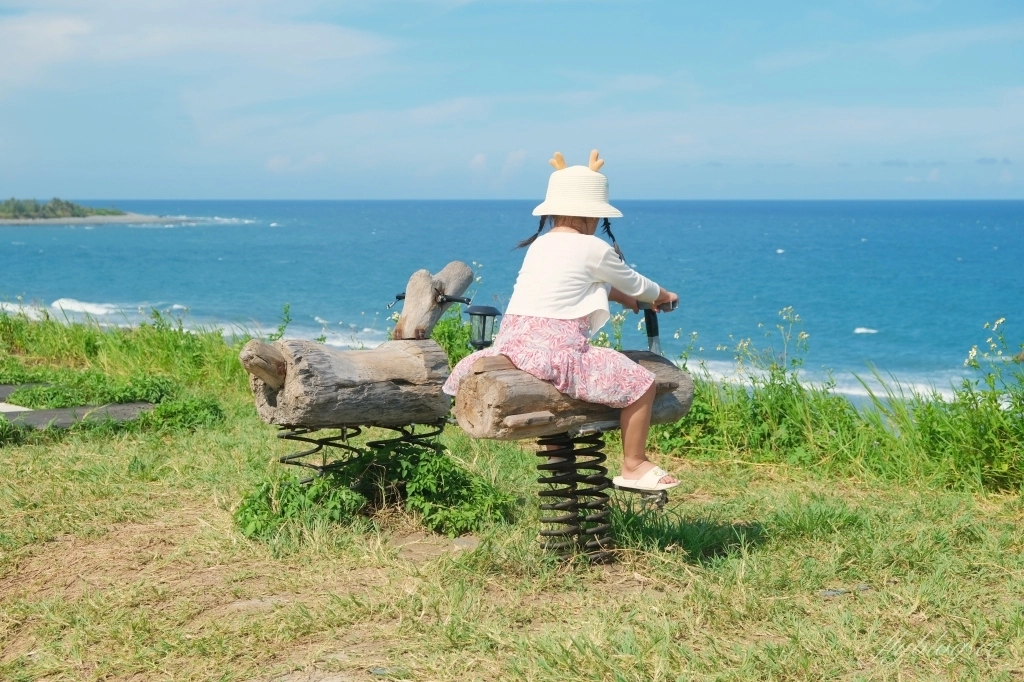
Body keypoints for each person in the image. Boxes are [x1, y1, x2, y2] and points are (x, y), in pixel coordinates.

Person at [443, 150, 680, 491]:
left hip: (514, 346)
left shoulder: (541, 245)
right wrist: (663, 296)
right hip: (557, 352)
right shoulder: (594, 248)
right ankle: (634, 464)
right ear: (593, 214)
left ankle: (557, 454)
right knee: (641, 384)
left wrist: (623, 299)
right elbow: (637, 283)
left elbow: (575, 285)